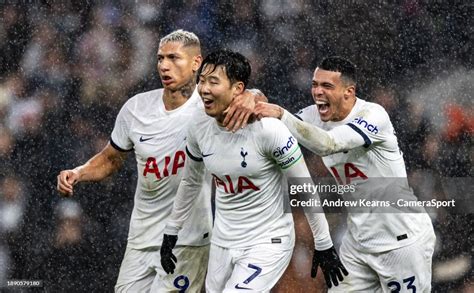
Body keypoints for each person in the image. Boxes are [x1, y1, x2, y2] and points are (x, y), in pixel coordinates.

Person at [57, 30, 260, 292]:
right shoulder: (135, 108)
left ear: (196, 63)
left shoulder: (209, 105)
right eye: (160, 58)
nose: (164, 65)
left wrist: (253, 96)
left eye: (174, 58)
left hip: (188, 239)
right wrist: (79, 172)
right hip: (141, 238)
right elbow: (111, 158)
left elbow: (252, 97)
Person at [160, 49, 347, 293]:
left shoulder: (268, 130)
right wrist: (171, 231)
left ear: (238, 89)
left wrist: (324, 244)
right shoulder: (198, 126)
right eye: (202, 81)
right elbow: (192, 181)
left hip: (268, 240)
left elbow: (304, 186)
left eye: (213, 82)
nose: (204, 89)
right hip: (223, 240)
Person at [255, 56, 436, 292]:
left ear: (349, 91)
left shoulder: (373, 115)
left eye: (327, 86)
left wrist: (280, 114)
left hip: (401, 242)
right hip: (358, 243)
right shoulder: (312, 116)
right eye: (315, 84)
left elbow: (328, 143)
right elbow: (275, 129)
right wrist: (254, 98)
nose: (318, 92)